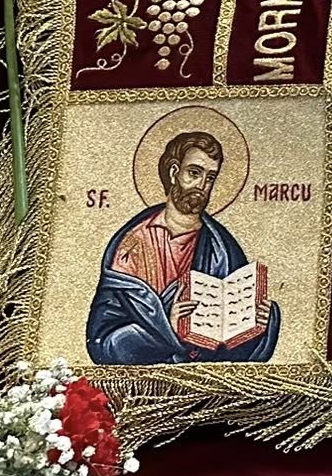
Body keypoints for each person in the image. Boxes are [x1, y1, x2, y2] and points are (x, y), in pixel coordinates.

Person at [86, 130, 279, 365]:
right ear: (174, 172)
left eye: (210, 178)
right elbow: (103, 341)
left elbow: (232, 348)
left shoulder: (221, 248)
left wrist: (258, 325)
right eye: (194, 173)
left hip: (203, 378)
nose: (202, 185)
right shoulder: (132, 242)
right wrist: (166, 328)